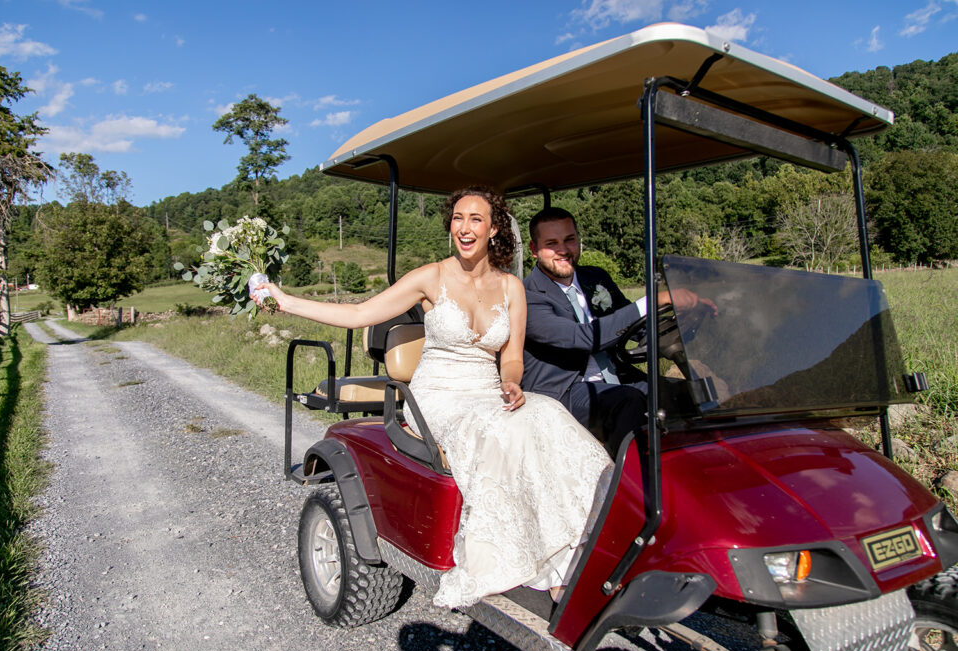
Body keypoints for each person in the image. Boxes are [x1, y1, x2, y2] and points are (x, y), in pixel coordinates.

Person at [251, 187, 611, 609]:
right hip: (437, 397)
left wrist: (512, 382)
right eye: (458, 218)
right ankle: (553, 571)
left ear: (494, 228)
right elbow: (359, 314)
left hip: (487, 392)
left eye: (476, 219)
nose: (464, 227)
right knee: (501, 431)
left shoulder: (512, 287)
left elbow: (511, 359)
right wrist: (287, 301)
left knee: (547, 415)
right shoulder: (432, 277)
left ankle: (582, 546)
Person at [522, 207, 714, 457]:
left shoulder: (594, 277)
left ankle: (697, 466)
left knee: (689, 394)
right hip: (564, 389)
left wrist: (687, 316)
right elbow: (584, 338)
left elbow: (633, 326)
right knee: (628, 401)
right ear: (534, 249)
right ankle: (627, 483)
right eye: (552, 244)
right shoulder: (528, 294)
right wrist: (654, 300)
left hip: (615, 375)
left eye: (570, 239)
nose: (564, 250)